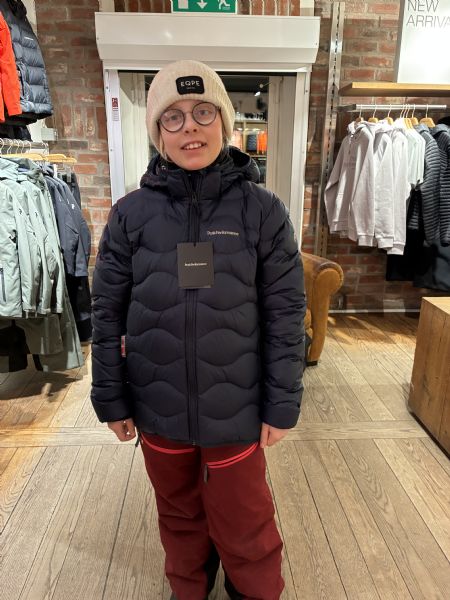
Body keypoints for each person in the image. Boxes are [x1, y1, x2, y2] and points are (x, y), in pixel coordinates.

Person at [91, 60, 306, 600]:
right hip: (157, 405)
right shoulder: (129, 216)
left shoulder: (263, 211)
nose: (190, 127)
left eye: (203, 112)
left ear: (225, 123)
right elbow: (106, 313)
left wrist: (281, 403)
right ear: (158, 133)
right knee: (179, 516)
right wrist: (111, 398)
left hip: (236, 409)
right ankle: (188, 590)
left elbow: (285, 313)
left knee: (245, 519)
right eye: (174, 117)